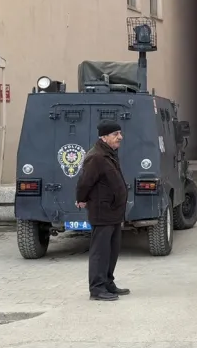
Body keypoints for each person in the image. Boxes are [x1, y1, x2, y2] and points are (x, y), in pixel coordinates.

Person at [75, 120, 129, 301]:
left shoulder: (109, 154)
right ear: (104, 137)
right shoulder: (96, 157)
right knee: (101, 252)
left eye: (119, 133)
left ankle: (107, 282)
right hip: (102, 211)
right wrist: (81, 199)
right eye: (115, 134)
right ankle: (97, 289)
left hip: (113, 212)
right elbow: (85, 181)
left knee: (112, 250)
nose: (120, 137)